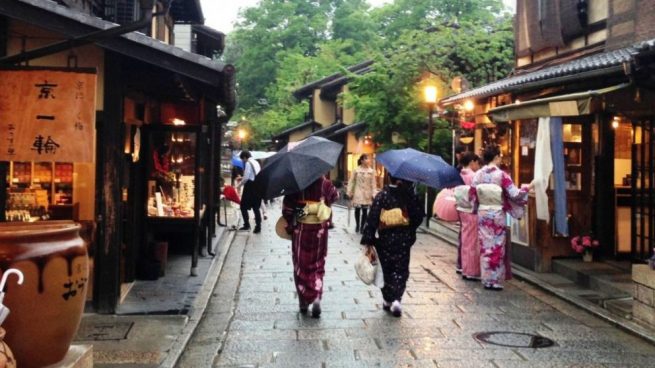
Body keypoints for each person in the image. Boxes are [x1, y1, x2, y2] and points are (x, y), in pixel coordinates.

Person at [360, 176, 424, 317]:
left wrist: (368, 238)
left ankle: (388, 299)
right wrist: (409, 227)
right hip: (403, 239)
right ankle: (397, 299)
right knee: (401, 269)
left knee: (387, 269)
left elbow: (373, 217)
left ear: (390, 178)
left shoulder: (382, 196)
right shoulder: (409, 196)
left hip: (385, 239)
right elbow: (419, 216)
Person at [471, 146, 533, 290]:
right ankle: (495, 280)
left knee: (485, 246)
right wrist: (527, 188)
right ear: (497, 157)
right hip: (497, 214)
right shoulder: (502, 175)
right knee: (497, 245)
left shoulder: (478, 174)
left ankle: (486, 279)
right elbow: (515, 194)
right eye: (499, 157)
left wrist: (477, 207)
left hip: (483, 214)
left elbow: (472, 194)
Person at [282, 176, 339, 318]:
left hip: (301, 229)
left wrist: (292, 221)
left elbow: (288, 209)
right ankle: (316, 295)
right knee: (318, 263)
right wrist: (321, 204)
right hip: (320, 229)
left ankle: (304, 301)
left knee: (300, 264)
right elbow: (335, 196)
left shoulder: (296, 183)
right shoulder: (325, 183)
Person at [454, 152, 481, 280]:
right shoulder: (473, 176)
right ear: (471, 162)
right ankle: (471, 270)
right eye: (476, 162)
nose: (477, 165)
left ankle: (463, 266)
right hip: (471, 209)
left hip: (461, 208)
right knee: (472, 240)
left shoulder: (460, 175)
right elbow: (476, 193)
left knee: (465, 238)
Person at [347, 154, 377, 233]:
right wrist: (349, 192)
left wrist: (374, 193)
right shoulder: (356, 170)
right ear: (362, 160)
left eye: (368, 159)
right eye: (366, 159)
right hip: (358, 192)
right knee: (357, 209)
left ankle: (362, 226)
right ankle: (357, 225)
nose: (368, 160)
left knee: (365, 210)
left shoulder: (372, 171)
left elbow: (374, 184)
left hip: (367, 193)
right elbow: (351, 181)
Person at [237, 150, 262, 233]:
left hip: (250, 187)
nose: (243, 161)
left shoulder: (248, 163)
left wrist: (239, 185)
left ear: (244, 157)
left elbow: (247, 177)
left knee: (243, 206)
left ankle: (246, 225)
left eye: (242, 159)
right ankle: (258, 226)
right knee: (256, 208)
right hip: (258, 186)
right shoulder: (256, 162)